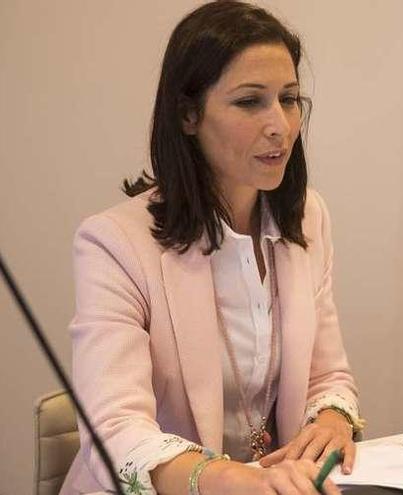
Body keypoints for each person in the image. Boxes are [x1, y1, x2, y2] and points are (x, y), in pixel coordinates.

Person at [61, 2, 361, 494]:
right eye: (250, 102)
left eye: (288, 99)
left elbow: (328, 376)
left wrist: (331, 419)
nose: (280, 126)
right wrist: (225, 477)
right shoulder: (114, 243)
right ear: (188, 114)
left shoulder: (308, 216)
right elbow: (114, 431)